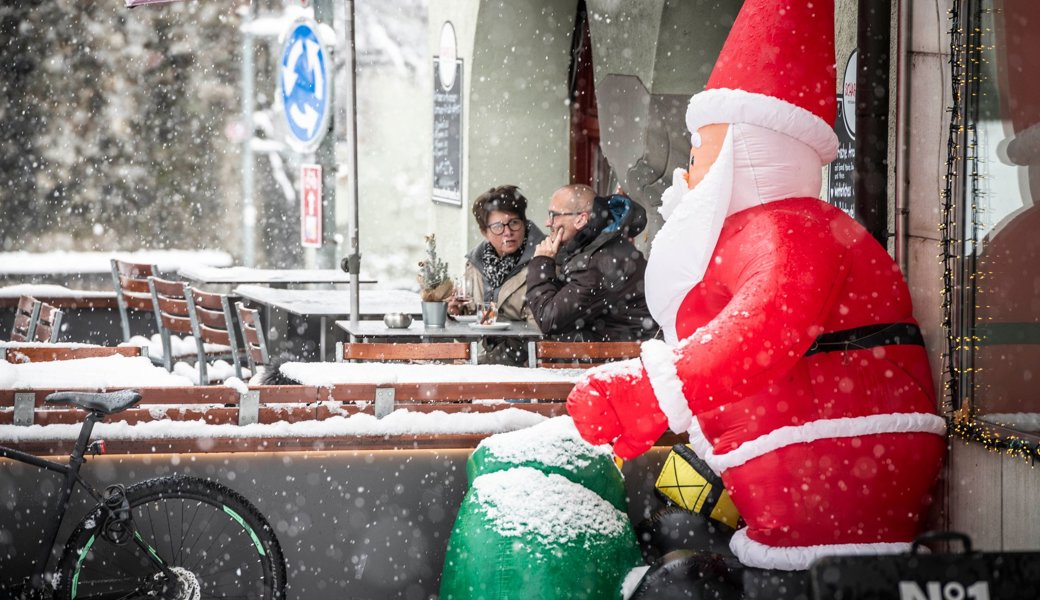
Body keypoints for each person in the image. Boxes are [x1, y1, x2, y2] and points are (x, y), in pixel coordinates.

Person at [565, 0, 946, 582]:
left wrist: (650, 390)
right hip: (807, 480)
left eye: (698, 154)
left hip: (832, 478)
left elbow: (764, 327)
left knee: (680, 548)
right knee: (667, 503)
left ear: (740, 150)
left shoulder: (790, 229)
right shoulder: (774, 229)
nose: (683, 177)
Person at [525, 184, 656, 342]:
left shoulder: (597, 263)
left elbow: (549, 319)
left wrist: (541, 263)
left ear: (581, 220)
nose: (548, 222)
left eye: (554, 215)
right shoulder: (595, 248)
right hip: (612, 347)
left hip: (624, 352)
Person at [448, 185, 546, 365]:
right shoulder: (476, 264)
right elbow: (470, 330)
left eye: (514, 223)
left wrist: (484, 363)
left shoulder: (544, 260)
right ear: (484, 232)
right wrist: (455, 314)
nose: (508, 232)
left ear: (524, 222)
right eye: (498, 226)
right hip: (494, 361)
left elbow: (536, 334)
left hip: (529, 364)